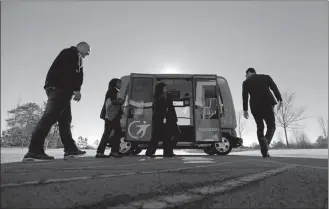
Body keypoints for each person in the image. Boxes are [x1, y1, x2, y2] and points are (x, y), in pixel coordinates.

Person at [22, 42, 91, 162]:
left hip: (61, 89)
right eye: (87, 52)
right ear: (82, 47)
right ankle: (34, 150)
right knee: (49, 117)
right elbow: (73, 72)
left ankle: (71, 150)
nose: (87, 55)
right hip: (60, 89)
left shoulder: (70, 54)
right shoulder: (73, 54)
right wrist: (76, 89)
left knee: (65, 120)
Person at [242, 68, 283, 158]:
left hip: (255, 107)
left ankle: (264, 151)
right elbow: (274, 88)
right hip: (267, 104)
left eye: (246, 75)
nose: (246, 77)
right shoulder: (266, 77)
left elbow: (244, 96)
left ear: (249, 72)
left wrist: (245, 110)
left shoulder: (246, 82)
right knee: (271, 125)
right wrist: (279, 99)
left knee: (260, 127)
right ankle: (266, 143)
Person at [145, 82, 179, 157]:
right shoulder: (158, 97)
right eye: (164, 87)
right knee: (160, 136)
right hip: (160, 119)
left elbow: (171, 108)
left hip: (168, 119)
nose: (166, 88)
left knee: (169, 135)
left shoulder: (168, 96)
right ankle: (166, 152)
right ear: (161, 88)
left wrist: (173, 118)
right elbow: (158, 109)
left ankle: (166, 152)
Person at [96, 78, 124, 158]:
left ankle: (100, 152)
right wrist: (121, 101)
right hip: (112, 116)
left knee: (108, 133)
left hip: (110, 115)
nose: (120, 84)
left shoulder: (114, 91)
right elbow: (114, 101)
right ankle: (114, 151)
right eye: (119, 83)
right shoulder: (113, 90)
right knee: (117, 132)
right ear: (115, 83)